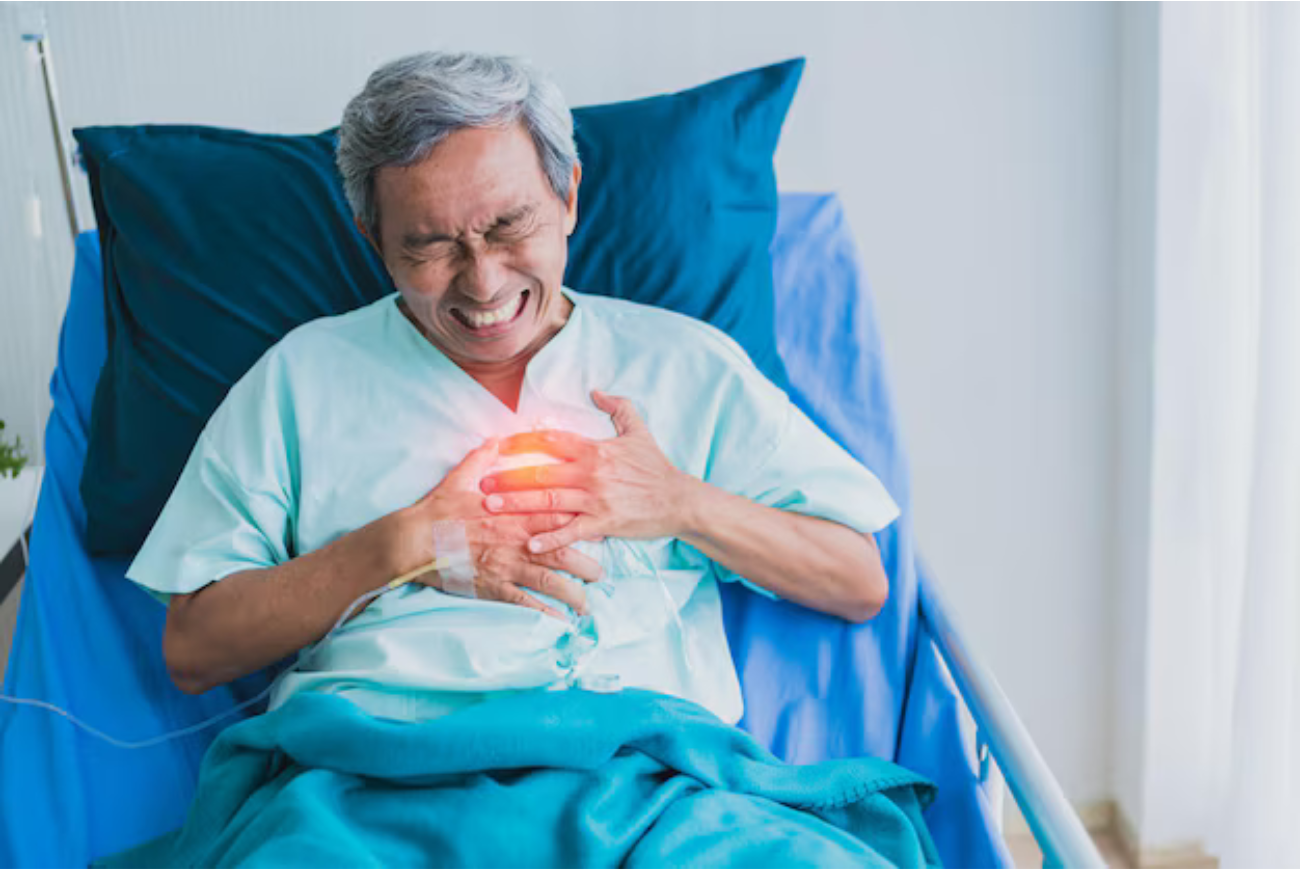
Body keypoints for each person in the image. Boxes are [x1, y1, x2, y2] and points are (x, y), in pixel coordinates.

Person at [129, 50, 900, 729]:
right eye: (430, 245)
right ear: (372, 240)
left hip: (643, 778)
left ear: (567, 197)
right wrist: (402, 545)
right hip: (372, 783)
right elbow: (195, 649)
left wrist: (675, 503)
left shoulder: (683, 364)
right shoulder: (300, 381)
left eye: (508, 226)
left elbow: (857, 578)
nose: (484, 282)